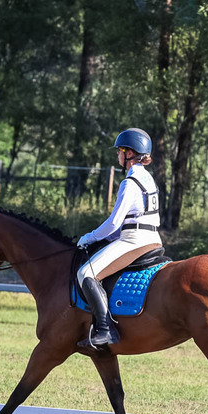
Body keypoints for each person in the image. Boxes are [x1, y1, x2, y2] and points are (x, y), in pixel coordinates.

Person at [76, 128, 162, 349]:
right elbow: (125, 223)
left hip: (134, 240)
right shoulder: (149, 179)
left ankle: (106, 330)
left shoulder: (130, 183)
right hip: (153, 237)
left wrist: (89, 237)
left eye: (119, 152)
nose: (118, 156)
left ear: (129, 153)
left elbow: (114, 223)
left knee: (86, 273)